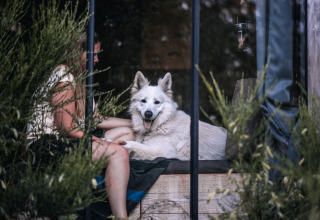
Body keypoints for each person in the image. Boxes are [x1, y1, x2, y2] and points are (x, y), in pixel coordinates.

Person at [27, 32, 135, 219]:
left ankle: (109, 165)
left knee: (127, 132)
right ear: (76, 52)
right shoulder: (64, 76)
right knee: (120, 152)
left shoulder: (80, 80)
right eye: (92, 54)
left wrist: (137, 123)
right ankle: (121, 217)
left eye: (97, 54)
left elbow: (97, 119)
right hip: (46, 145)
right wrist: (105, 146)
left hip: (67, 142)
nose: (97, 59)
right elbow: (66, 128)